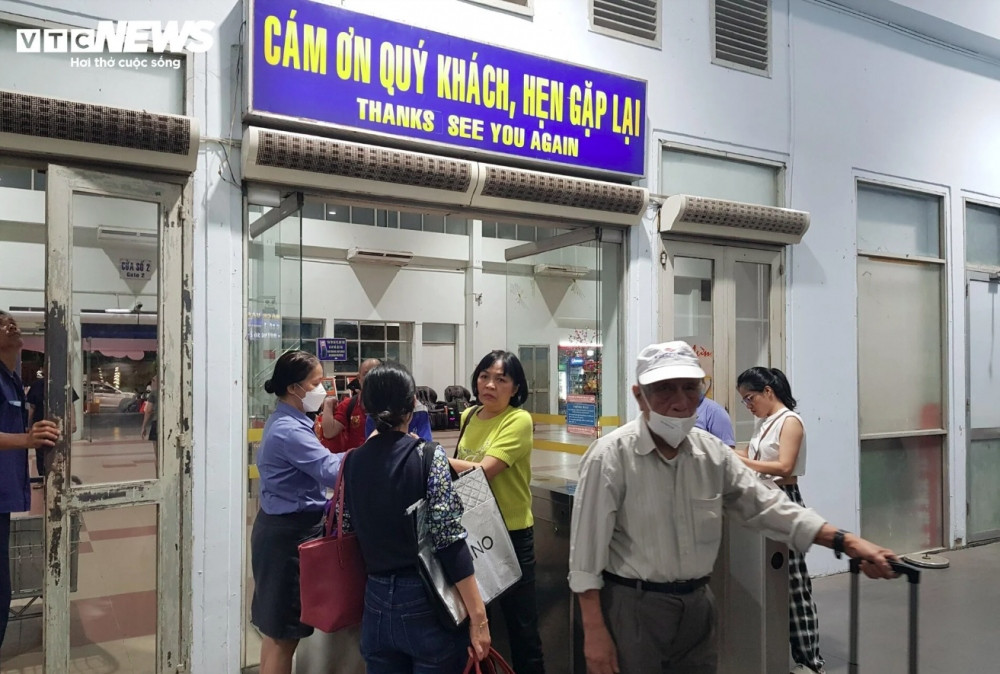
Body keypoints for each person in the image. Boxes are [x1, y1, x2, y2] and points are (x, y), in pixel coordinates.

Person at [568, 341, 899, 674]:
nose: (681, 401)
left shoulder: (711, 454)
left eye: (690, 388)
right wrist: (594, 633)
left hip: (698, 606)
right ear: (640, 396)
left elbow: (767, 506)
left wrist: (845, 541)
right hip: (633, 608)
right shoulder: (609, 457)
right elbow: (585, 557)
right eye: (665, 389)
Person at [343, 361, 490, 672]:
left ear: (365, 405)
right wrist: (478, 616)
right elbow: (448, 538)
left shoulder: (353, 461)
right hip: (425, 601)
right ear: (412, 404)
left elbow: (350, 525)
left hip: (375, 600)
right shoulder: (427, 455)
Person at [449, 350, 545, 674]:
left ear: (515, 387)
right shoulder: (469, 416)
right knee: (477, 624)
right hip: (474, 533)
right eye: (484, 376)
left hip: (512, 535)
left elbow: (483, 470)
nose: (489, 385)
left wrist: (431, 456)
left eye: (500, 379)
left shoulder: (518, 420)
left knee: (522, 627)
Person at [251, 350, 343, 674]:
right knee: (284, 637)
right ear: (294, 388)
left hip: (277, 531)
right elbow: (330, 470)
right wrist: (372, 454)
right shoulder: (290, 431)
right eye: (317, 383)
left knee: (275, 632)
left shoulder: (286, 420)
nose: (323, 390)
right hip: (287, 538)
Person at [737, 366, 823, 674]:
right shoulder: (764, 423)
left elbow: (785, 466)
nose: (748, 405)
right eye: (744, 401)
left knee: (795, 581)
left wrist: (741, 460)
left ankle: (810, 661)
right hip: (763, 496)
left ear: (768, 392)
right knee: (769, 578)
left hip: (785, 498)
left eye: (749, 398)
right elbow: (752, 455)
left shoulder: (790, 422)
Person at [0, 311, 61, 647]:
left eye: (11, 320)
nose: (11, 325)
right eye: (0, 323)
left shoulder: (11, 379)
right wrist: (26, 439)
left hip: (6, 495)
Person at [25, 370, 79, 483]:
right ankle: (42, 479)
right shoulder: (37, 386)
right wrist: (28, 425)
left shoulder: (64, 384)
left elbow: (70, 404)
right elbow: (32, 407)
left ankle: (59, 478)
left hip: (59, 426)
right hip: (41, 425)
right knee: (40, 454)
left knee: (60, 452)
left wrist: (73, 422)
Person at [320, 358, 381, 451]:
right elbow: (329, 432)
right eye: (366, 374)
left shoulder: (391, 405)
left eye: (376, 373)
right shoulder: (349, 404)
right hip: (355, 462)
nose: (371, 377)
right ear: (359, 378)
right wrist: (328, 404)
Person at [140, 375, 158, 449]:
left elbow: (148, 411)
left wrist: (143, 426)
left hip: (157, 421)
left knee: (156, 444)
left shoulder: (153, 393)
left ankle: (158, 460)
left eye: (153, 381)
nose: (151, 383)